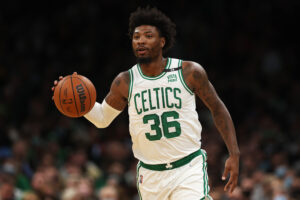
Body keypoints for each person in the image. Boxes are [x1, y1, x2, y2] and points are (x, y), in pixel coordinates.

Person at [52, 7, 240, 200]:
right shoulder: (125, 81)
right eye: (136, 37)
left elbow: (217, 108)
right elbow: (102, 119)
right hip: (150, 174)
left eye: (148, 35)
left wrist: (234, 153)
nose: (140, 40)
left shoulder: (189, 71)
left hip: (188, 167)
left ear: (162, 41)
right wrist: (76, 102)